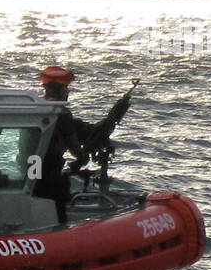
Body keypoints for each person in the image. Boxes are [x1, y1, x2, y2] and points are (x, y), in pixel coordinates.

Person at [33, 67, 138, 224]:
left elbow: (78, 131)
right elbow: (76, 150)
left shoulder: (37, 108)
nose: (67, 91)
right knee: (58, 208)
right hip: (48, 173)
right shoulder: (61, 113)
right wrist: (85, 153)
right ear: (60, 89)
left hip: (31, 171)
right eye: (65, 88)